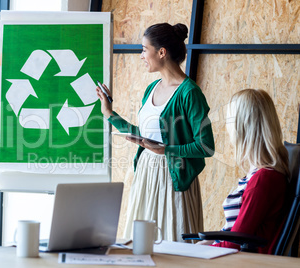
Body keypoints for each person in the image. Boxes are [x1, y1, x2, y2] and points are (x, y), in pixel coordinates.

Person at [96, 23, 215, 241]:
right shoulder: (151, 89)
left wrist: (165, 150)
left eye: (144, 49)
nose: (141, 55)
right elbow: (145, 136)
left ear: (161, 52)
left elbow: (206, 146)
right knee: (140, 244)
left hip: (173, 179)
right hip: (146, 175)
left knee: (172, 242)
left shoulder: (190, 93)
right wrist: (109, 113)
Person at [199, 89, 289, 254]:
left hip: (237, 260)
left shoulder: (263, 179)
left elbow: (236, 242)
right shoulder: (259, 175)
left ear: (241, 127)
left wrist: (203, 250)